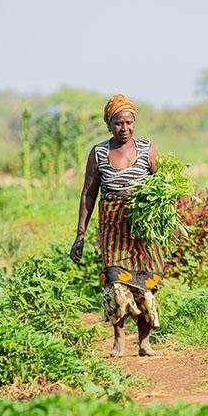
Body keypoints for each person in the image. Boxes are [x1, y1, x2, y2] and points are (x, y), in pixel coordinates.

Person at [70, 93, 165, 357]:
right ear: (109, 124)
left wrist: (164, 219)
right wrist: (80, 234)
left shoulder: (147, 150)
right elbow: (89, 193)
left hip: (143, 228)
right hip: (113, 226)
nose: (124, 128)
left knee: (145, 283)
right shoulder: (99, 152)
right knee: (115, 282)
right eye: (118, 123)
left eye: (128, 122)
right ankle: (119, 338)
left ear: (135, 122)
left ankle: (144, 342)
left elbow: (162, 188)